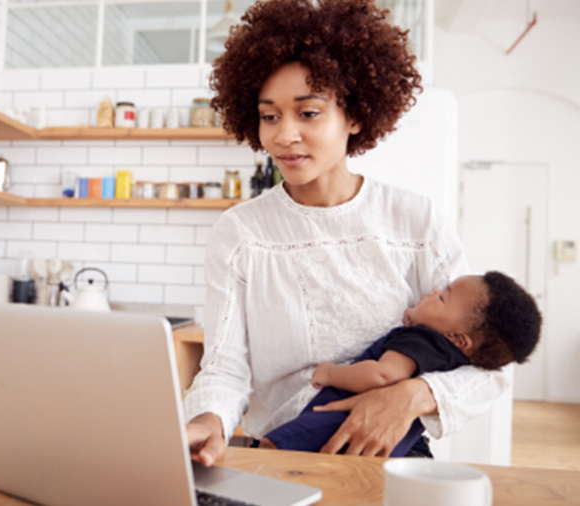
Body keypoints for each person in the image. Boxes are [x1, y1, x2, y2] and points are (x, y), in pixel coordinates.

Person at [185, 0, 510, 466]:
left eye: (308, 113)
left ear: (354, 115)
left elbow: (487, 362)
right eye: (270, 115)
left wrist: (411, 396)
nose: (284, 135)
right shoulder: (240, 233)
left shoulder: (414, 221)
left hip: (392, 453)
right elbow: (224, 368)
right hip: (281, 450)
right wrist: (208, 421)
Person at [260, 271, 542, 454]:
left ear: (458, 338)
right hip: (392, 443)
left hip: (341, 421)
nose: (432, 292)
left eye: (442, 297)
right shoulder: (451, 357)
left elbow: (383, 375)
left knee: (272, 448)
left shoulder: (421, 340)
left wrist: (330, 372)